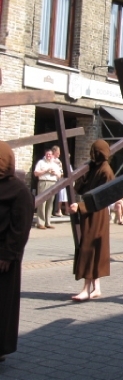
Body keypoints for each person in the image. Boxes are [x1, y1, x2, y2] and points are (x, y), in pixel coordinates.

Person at [0, 142, 35, 362]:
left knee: (2, 305)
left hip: (4, 257)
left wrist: (8, 254)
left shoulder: (19, 191)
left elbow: (20, 226)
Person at [69, 140, 115, 301]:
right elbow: (81, 188)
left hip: (97, 214)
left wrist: (81, 206)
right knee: (93, 248)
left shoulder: (106, 171)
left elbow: (103, 197)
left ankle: (86, 290)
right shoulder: (94, 168)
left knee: (90, 248)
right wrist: (83, 174)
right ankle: (96, 288)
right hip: (91, 213)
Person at [33, 148, 62, 229]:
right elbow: (36, 173)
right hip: (44, 182)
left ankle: (48, 222)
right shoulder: (41, 162)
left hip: (52, 183)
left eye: (50, 154)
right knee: (42, 203)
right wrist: (45, 171)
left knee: (50, 203)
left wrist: (55, 173)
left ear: (52, 155)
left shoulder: (55, 164)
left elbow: (60, 175)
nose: (48, 156)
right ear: (45, 155)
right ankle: (40, 223)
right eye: (47, 154)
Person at [51, 145, 69, 217]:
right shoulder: (50, 159)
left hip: (58, 180)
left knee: (56, 196)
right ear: (54, 151)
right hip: (52, 180)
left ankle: (55, 210)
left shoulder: (58, 160)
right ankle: (52, 211)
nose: (59, 154)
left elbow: (61, 168)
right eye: (58, 152)